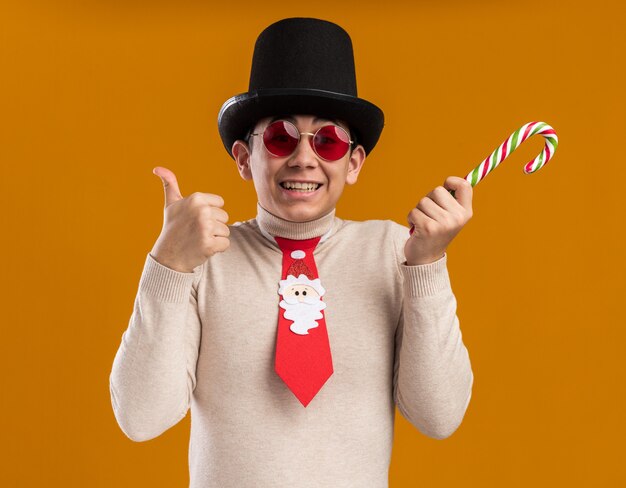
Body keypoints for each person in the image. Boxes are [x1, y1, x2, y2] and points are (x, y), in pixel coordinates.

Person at [109, 17, 474, 488]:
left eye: (328, 140)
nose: (304, 158)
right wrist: (168, 266)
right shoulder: (202, 261)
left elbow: (438, 416)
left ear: (354, 162)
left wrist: (427, 266)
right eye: (281, 137)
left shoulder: (396, 251)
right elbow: (141, 418)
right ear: (244, 158)